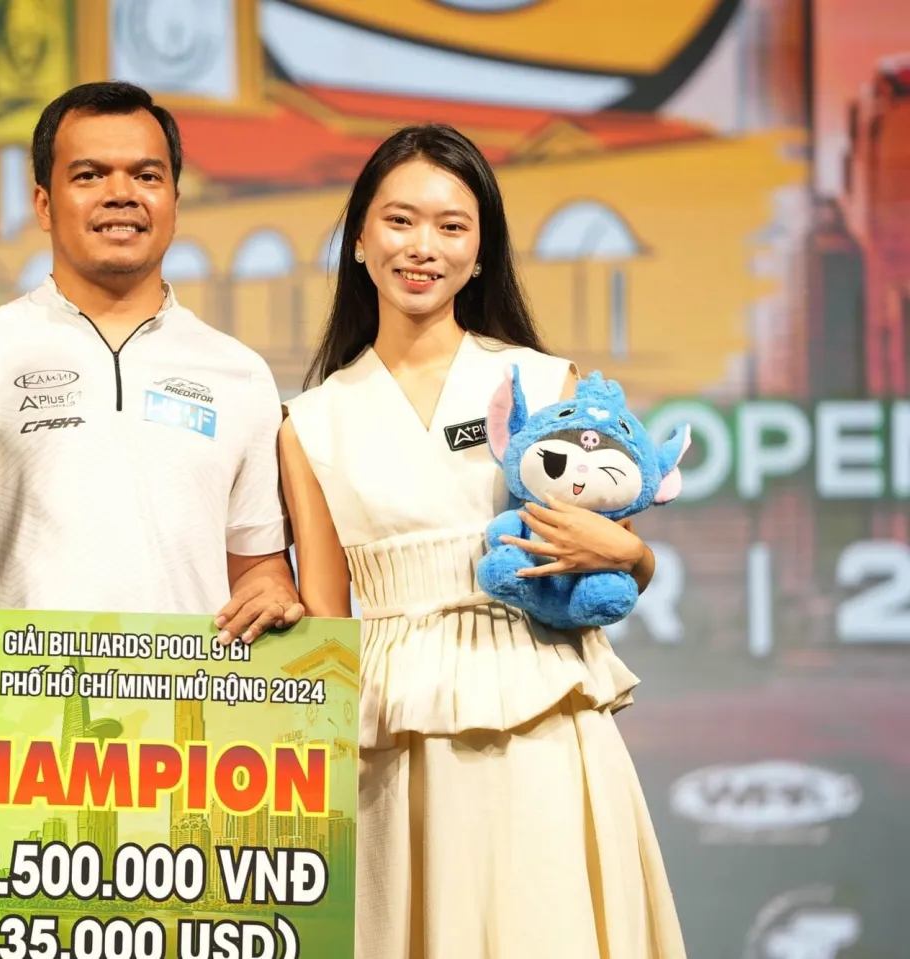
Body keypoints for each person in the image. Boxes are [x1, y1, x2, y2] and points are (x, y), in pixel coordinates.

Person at [279, 124, 686, 957]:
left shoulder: (544, 380)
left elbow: (617, 560)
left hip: (540, 716)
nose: (422, 246)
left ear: (479, 252)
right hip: (387, 737)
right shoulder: (308, 421)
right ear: (358, 239)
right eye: (399, 221)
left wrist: (635, 558)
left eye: (451, 226)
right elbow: (324, 620)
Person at [0, 81, 301, 645]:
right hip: (14, 692)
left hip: (179, 694)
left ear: (175, 203)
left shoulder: (240, 373)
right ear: (43, 205)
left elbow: (258, 565)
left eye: (147, 176)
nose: (121, 194)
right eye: (89, 175)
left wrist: (273, 590)